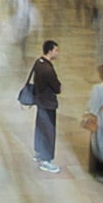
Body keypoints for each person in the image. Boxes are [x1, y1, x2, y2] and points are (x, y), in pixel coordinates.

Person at [32, 40, 62, 172]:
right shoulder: (48, 69)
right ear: (50, 51)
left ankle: (38, 152)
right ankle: (46, 160)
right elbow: (57, 88)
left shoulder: (39, 62)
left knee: (40, 127)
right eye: (56, 50)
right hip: (48, 103)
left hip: (40, 101)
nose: (57, 53)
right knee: (49, 131)